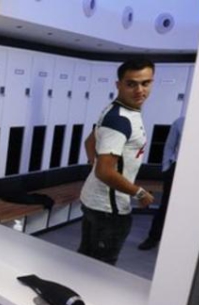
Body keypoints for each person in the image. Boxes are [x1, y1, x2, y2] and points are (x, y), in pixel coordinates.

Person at [77, 58, 155, 266]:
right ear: (118, 85)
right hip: (109, 210)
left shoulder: (115, 110)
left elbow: (90, 142)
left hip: (95, 201)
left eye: (146, 83)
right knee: (101, 268)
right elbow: (104, 171)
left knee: (84, 260)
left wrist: (97, 166)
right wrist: (140, 193)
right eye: (131, 84)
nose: (140, 90)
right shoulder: (120, 120)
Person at [138, 115, 186, 250]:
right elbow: (169, 146)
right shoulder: (180, 122)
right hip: (177, 168)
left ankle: (182, 241)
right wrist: (166, 168)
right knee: (166, 205)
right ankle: (153, 237)